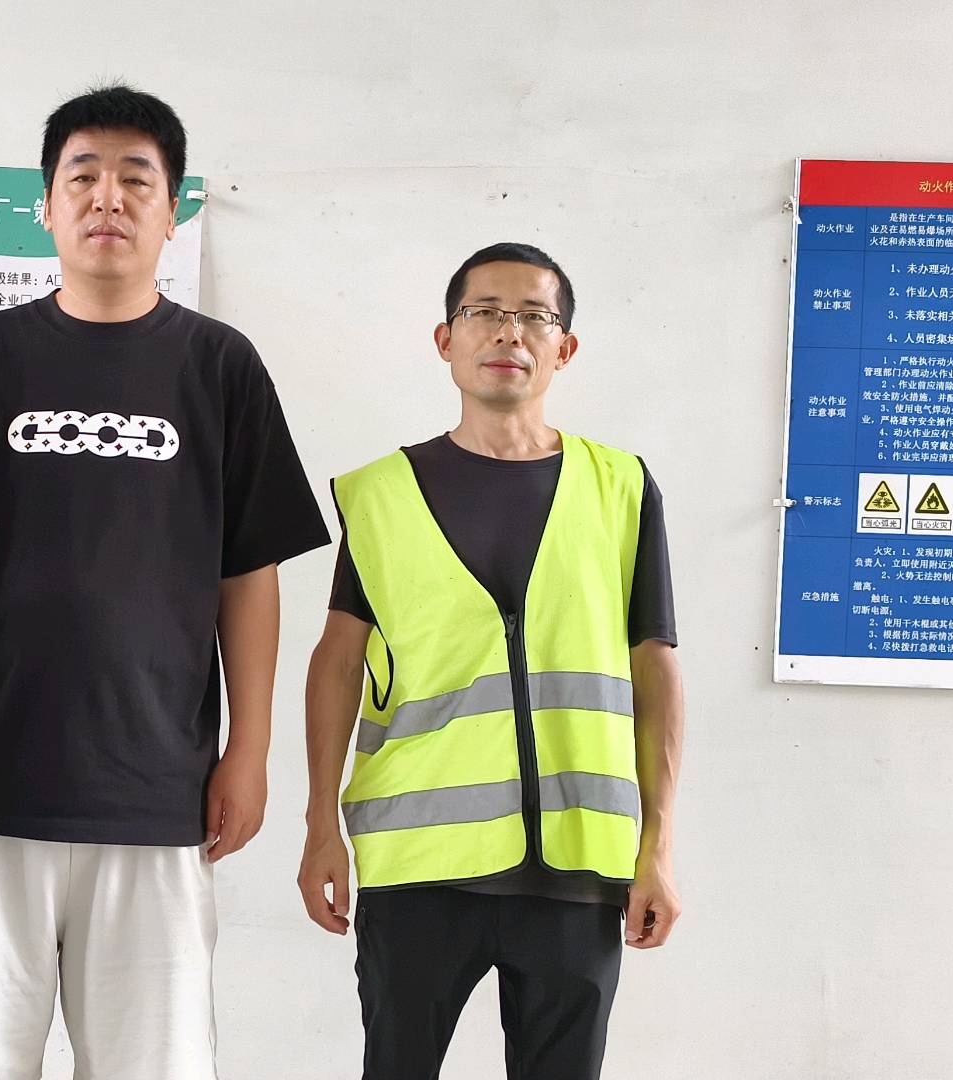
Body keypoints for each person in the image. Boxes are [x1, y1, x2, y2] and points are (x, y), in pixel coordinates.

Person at [0, 85, 332, 1080]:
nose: (107, 198)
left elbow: (248, 575)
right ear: (45, 206)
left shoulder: (220, 368)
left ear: (172, 214)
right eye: (82, 176)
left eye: (136, 179)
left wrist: (249, 750)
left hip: (156, 796)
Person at [297, 243, 685, 1079]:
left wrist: (657, 848)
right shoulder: (381, 494)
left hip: (578, 865)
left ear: (564, 348)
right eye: (485, 312)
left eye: (535, 316)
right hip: (416, 865)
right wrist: (318, 824)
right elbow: (336, 660)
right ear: (446, 339)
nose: (509, 331)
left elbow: (654, 666)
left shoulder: (621, 488)